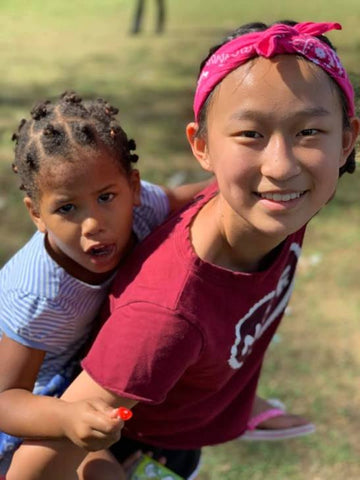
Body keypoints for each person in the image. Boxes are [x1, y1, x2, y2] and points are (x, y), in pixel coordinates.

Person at [6, 20, 359, 480]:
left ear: (346, 141)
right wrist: (80, 433)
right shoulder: (160, 316)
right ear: (201, 145)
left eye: (309, 132)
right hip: (112, 433)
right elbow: (31, 468)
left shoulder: (274, 204)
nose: (281, 166)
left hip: (178, 427)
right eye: (251, 134)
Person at [0, 91, 210, 479]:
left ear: (132, 186)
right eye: (67, 208)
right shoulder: (36, 293)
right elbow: (7, 399)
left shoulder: (142, 206)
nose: (93, 223)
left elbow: (198, 198)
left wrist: (242, 184)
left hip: (102, 371)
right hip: (46, 401)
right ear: (36, 215)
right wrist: (65, 417)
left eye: (106, 197)